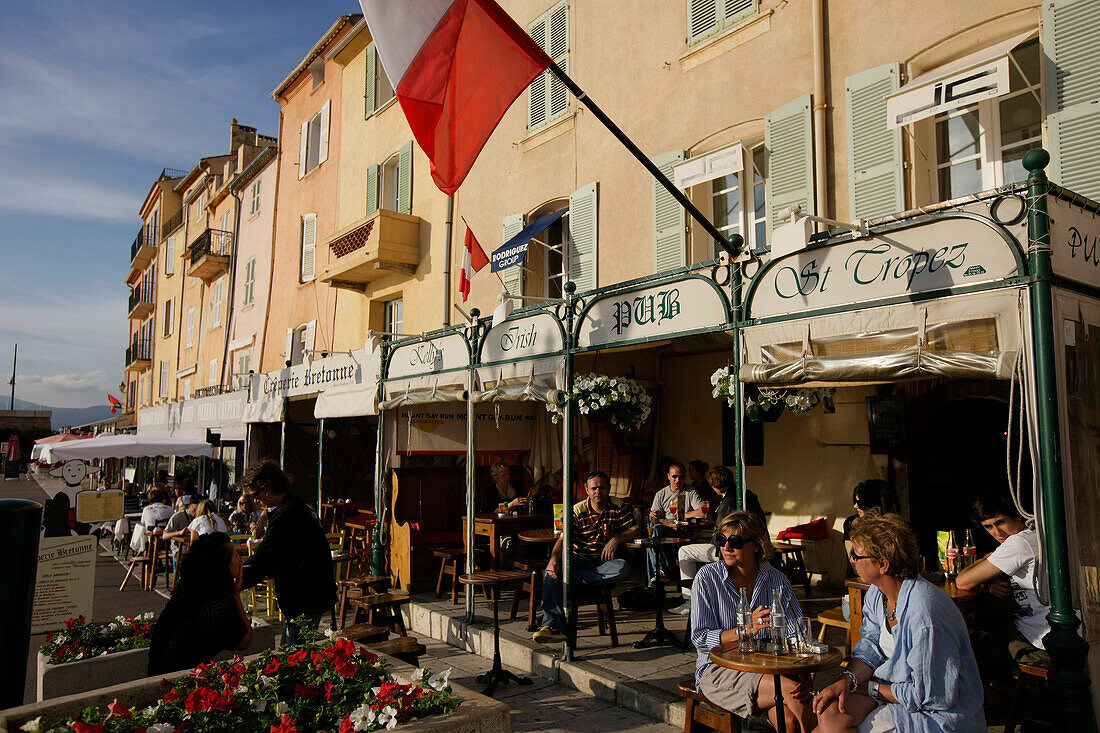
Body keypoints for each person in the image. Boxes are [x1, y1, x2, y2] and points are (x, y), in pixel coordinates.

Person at [813, 514, 986, 732]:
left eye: (856, 555)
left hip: (935, 714)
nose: (852, 560)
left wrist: (871, 689)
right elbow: (870, 645)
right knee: (829, 716)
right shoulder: (878, 593)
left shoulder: (925, 613)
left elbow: (933, 695)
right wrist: (847, 680)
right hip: (893, 692)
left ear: (883, 565)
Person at [691, 511, 813, 732]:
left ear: (756, 545)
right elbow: (700, 638)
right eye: (722, 540)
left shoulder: (776, 579)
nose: (726, 547)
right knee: (792, 691)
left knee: (790, 721)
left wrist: (805, 673)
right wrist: (744, 631)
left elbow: (798, 633)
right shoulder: (707, 578)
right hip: (720, 670)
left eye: (735, 542)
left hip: (769, 669)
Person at [532, 470, 639, 643]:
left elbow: (636, 530)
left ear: (609, 488)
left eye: (602, 488)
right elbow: (563, 538)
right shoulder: (577, 510)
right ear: (586, 490)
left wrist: (616, 539)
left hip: (605, 563)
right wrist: (553, 559)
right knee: (551, 570)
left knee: (623, 567)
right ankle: (552, 625)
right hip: (580, 559)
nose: (598, 491)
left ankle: (569, 579)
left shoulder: (619, 507)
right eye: (594, 488)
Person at [240, 460, 336, 646]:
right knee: (289, 650)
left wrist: (236, 581)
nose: (256, 500)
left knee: (293, 657)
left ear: (267, 488)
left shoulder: (287, 514)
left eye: (256, 495)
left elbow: (264, 558)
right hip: (309, 595)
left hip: (305, 597)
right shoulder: (296, 504)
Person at [956, 491, 1049, 677]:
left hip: (1036, 640)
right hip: (1035, 629)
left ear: (1016, 516)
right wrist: (993, 581)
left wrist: (987, 557)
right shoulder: (1035, 535)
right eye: (988, 527)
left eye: (1000, 522)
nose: (997, 533)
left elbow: (962, 581)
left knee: (961, 657)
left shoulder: (1019, 542)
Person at [147, 532, 253, 675]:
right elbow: (245, 640)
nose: (240, 559)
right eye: (235, 555)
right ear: (222, 565)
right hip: (174, 681)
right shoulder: (214, 604)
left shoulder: (192, 592)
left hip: (162, 673)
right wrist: (236, 595)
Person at [671, 466, 742, 614]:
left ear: (714, 486)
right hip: (744, 546)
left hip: (727, 550)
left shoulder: (726, 504)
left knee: (684, 551)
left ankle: (689, 600)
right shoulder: (744, 495)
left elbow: (722, 536)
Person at [646, 461, 704, 586]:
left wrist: (683, 515)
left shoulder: (690, 492)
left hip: (683, 530)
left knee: (653, 541)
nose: (678, 480)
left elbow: (702, 512)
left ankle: (658, 577)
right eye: (674, 477)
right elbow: (654, 515)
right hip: (665, 530)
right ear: (668, 476)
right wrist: (653, 515)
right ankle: (661, 572)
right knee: (654, 533)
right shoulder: (661, 494)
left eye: (681, 477)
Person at [843, 479, 898, 580]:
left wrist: (878, 526)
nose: (855, 506)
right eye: (855, 502)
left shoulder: (896, 526)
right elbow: (854, 562)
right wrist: (866, 527)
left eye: (860, 503)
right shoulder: (851, 523)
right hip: (858, 583)